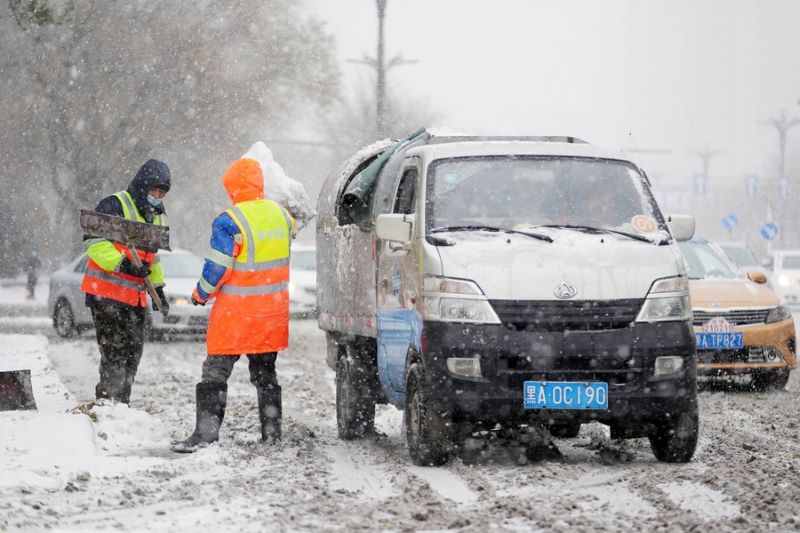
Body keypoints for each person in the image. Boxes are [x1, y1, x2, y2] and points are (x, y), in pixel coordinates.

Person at [172, 156, 294, 453]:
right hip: (272, 312)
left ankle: (205, 434)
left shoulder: (230, 221)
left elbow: (218, 267)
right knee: (266, 374)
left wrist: (201, 294)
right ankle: (272, 432)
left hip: (236, 313)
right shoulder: (283, 216)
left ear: (233, 187)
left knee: (215, 371)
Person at [80, 159, 171, 404]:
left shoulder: (157, 216)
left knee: (133, 354)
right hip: (107, 295)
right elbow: (93, 241)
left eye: (162, 192)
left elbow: (153, 257)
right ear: (143, 186)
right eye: (154, 190)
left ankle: (122, 404)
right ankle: (108, 404)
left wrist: (158, 289)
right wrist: (123, 264)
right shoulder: (114, 204)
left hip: (136, 298)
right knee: (113, 353)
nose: (157, 196)